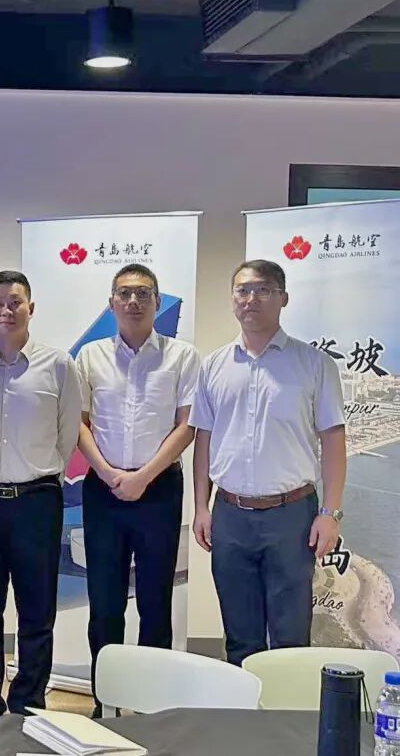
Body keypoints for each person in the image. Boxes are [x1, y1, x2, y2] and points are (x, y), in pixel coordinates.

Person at [190, 259, 346, 666]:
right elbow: (204, 440)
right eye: (242, 290)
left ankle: (288, 708)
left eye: (262, 289)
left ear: (283, 298)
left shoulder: (313, 364)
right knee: (239, 635)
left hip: (291, 515)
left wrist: (330, 514)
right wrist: (201, 507)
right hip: (230, 514)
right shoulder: (214, 365)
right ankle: (246, 707)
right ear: (233, 299)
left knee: (290, 635)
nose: (251, 299)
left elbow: (333, 440)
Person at [76, 263, 199, 714]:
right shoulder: (90, 356)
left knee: (155, 600)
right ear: (112, 303)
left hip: (159, 489)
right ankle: (105, 701)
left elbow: (187, 426)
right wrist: (109, 473)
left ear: (157, 302)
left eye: (143, 293)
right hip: (103, 489)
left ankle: (151, 705)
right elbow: (78, 423)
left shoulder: (182, 356)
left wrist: (143, 476)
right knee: (104, 603)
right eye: (124, 293)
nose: (133, 301)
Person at [0, 270, 81, 720]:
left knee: (36, 610)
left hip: (37, 502)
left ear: (31, 307)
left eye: (15, 302)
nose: (6, 310)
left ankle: (29, 702)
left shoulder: (59, 365)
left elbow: (68, 434)